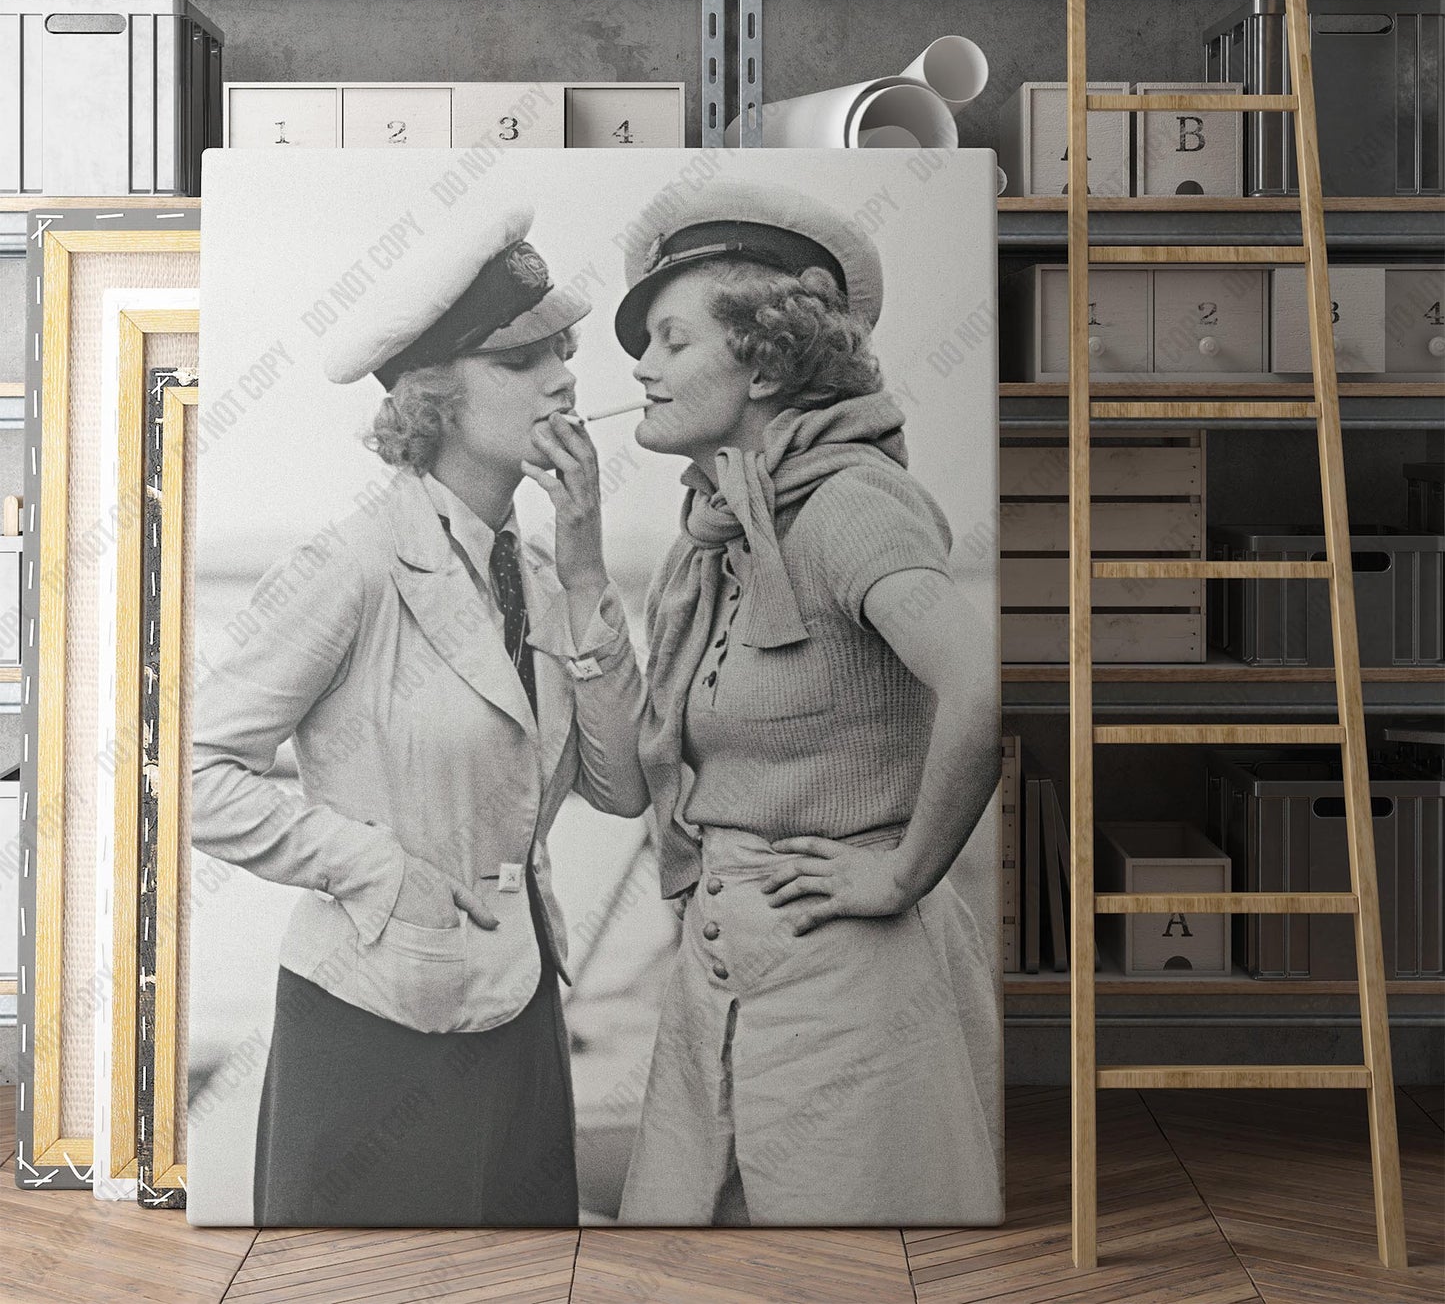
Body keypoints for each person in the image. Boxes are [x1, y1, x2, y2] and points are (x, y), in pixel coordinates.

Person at [192, 206, 648, 1227]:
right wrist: (374, 865)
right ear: (434, 396)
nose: (566, 379)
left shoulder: (542, 572)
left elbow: (623, 787)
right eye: (526, 358)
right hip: (373, 1022)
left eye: (563, 351)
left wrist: (582, 565)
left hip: (521, 1012)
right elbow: (193, 771)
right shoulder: (348, 564)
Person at [613, 180, 1003, 1226]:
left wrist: (899, 872)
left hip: (852, 990)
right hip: (720, 982)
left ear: (768, 361)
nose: (639, 369)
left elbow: (978, 680)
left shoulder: (845, 504)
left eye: (668, 340)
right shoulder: (725, 533)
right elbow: (632, 768)